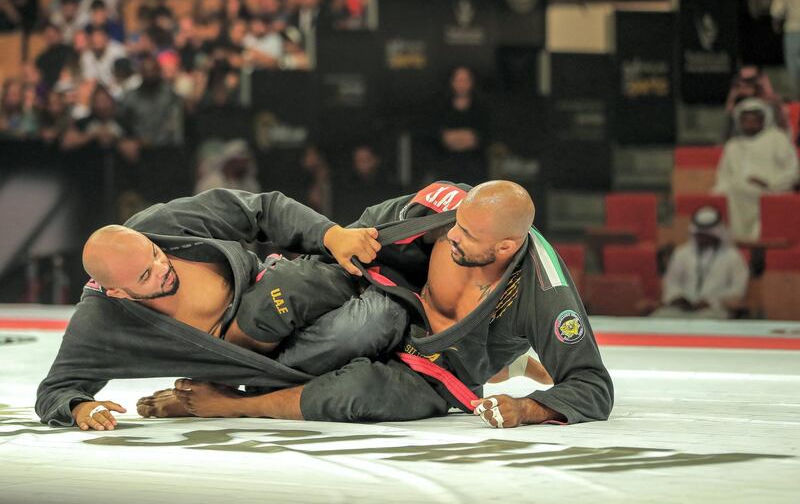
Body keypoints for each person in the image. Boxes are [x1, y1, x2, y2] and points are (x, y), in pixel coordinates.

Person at [137, 181, 613, 429]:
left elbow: (592, 385)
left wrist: (530, 411)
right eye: (456, 224)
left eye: (467, 236)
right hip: (396, 310)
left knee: (355, 396)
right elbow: (365, 230)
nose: (451, 237)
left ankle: (235, 405)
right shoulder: (447, 209)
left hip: (442, 370)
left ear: (507, 248)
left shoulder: (545, 292)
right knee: (357, 323)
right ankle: (233, 379)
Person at [35, 188, 383, 431]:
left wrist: (330, 234)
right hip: (272, 365)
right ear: (116, 292)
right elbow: (55, 390)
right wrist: (80, 407)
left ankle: (212, 393)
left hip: (287, 292)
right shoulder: (100, 321)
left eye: (155, 253)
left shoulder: (163, 225)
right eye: (145, 276)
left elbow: (262, 209)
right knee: (371, 324)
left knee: (379, 237)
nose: (162, 267)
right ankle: (217, 394)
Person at [713, 98, 800, 241]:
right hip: (736, 193)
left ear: (763, 120)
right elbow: (723, 175)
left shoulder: (777, 138)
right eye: (746, 120)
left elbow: (794, 171)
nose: (750, 124)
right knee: (718, 195)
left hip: (769, 192)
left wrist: (769, 183)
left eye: (754, 120)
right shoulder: (732, 146)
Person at [651, 206, 749, 319]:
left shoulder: (733, 256)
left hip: (715, 309)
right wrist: (677, 297)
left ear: (716, 235)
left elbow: (738, 289)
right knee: (659, 318)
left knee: (706, 322)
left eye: (706, 236)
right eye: (699, 235)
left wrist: (711, 301)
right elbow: (671, 282)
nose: (701, 238)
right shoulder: (681, 254)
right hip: (681, 309)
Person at [771, 0, 800, 99]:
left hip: (793, 30)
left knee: (794, 72)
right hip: (793, 29)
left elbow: (779, 5)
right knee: (794, 71)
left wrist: (776, 22)